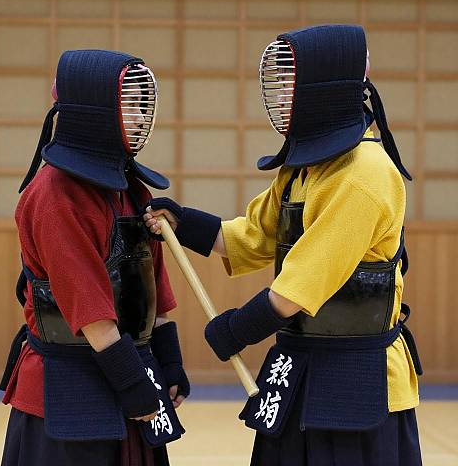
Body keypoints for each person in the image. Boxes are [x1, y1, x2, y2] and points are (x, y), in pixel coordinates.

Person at [144, 25, 423, 466]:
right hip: (299, 366)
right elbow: (252, 237)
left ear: (323, 92)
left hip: (360, 378)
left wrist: (236, 329)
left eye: (292, 86)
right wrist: (187, 222)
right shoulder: (303, 169)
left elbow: (296, 289)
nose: (283, 98)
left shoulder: (365, 173)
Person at [0, 49, 189, 466]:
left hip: (128, 367)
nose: (141, 119)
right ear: (94, 113)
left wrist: (169, 360)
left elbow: (150, 283)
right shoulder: (54, 195)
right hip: (68, 385)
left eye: (143, 107)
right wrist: (131, 383)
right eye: (129, 108)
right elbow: (90, 311)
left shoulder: (127, 186)